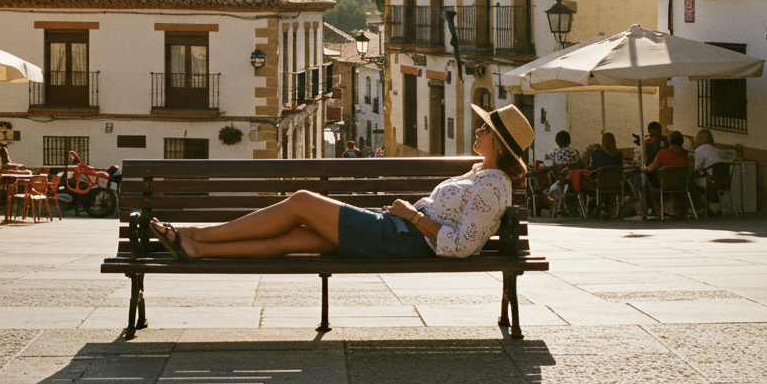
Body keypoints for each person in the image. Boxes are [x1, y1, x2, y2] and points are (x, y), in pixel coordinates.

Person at [147, 104, 533, 261]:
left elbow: (463, 245)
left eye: (485, 127)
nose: (478, 129)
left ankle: (195, 232)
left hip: (399, 236)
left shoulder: (492, 185)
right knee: (292, 237)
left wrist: (413, 218)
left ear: (498, 141)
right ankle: (198, 249)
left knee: (300, 201)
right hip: (396, 233)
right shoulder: (483, 174)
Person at [647, 130, 692, 217]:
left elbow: (651, 168)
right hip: (682, 185)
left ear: (670, 141)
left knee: (647, 182)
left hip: (665, 185)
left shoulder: (662, 154)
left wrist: (644, 167)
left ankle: (655, 209)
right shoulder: (687, 155)